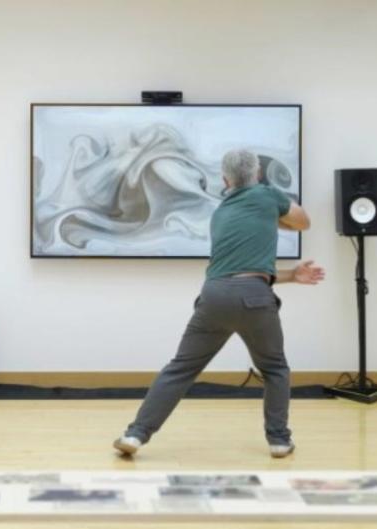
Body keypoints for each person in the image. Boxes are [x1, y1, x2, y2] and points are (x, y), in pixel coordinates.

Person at [113, 149, 325, 459]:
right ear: (259, 175)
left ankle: (135, 435)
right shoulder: (267, 194)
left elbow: (240, 271)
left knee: (180, 370)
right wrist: (277, 215)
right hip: (254, 297)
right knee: (275, 369)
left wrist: (292, 275)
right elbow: (303, 222)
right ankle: (279, 440)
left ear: (225, 180)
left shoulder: (221, 212)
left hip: (213, 296)